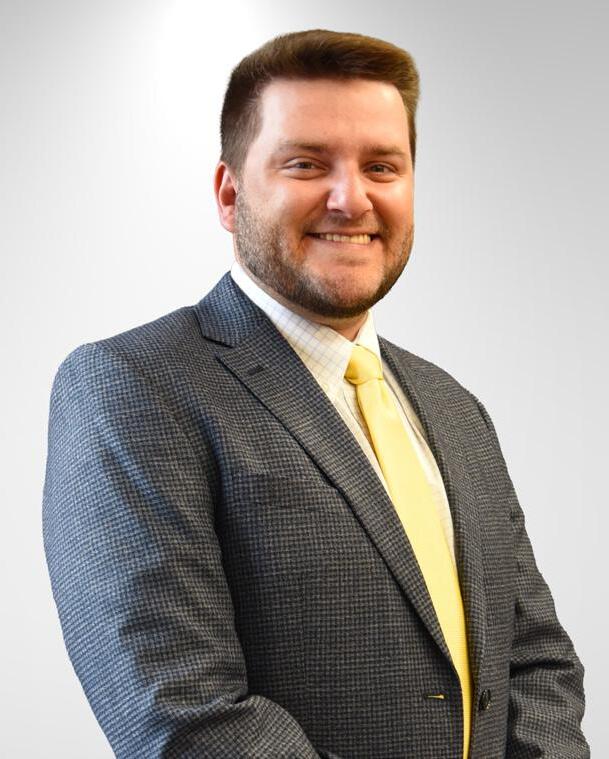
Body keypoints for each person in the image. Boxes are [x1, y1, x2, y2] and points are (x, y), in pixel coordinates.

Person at [42, 29, 589, 759]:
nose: (350, 198)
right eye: (305, 163)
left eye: (381, 166)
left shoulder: (455, 408)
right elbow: (185, 717)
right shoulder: (133, 387)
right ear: (230, 194)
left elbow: (536, 660)